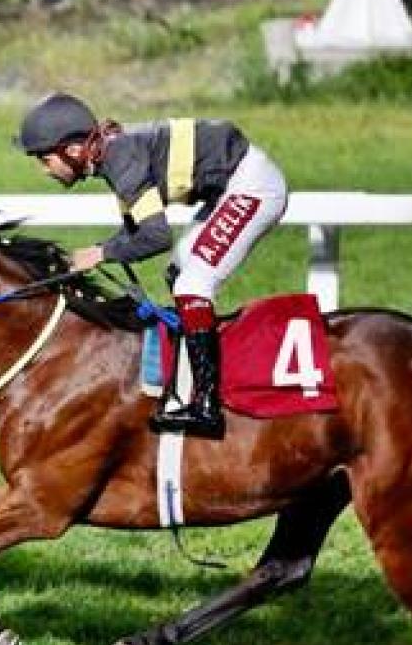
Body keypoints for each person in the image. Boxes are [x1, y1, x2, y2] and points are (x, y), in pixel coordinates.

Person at [15, 92, 288, 439]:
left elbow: (157, 236)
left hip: (253, 187)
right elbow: (138, 229)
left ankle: (207, 406)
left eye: (44, 158)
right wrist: (95, 253)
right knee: (179, 275)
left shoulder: (119, 159)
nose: (44, 169)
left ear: (72, 150)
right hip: (231, 186)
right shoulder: (111, 155)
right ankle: (195, 380)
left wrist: (100, 254)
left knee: (193, 285)